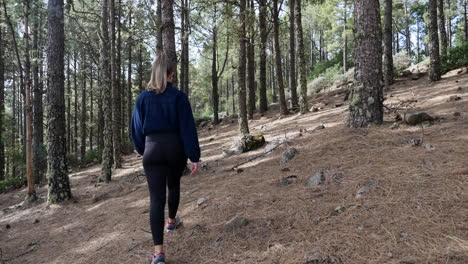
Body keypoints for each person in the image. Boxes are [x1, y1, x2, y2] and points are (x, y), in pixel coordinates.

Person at [131, 51, 201, 264]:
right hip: (174, 149)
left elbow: (135, 129)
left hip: (152, 149)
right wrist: (194, 156)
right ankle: (171, 221)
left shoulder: (142, 98)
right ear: (170, 75)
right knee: (174, 185)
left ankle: (158, 254)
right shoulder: (179, 97)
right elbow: (187, 128)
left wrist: (143, 149)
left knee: (155, 199)